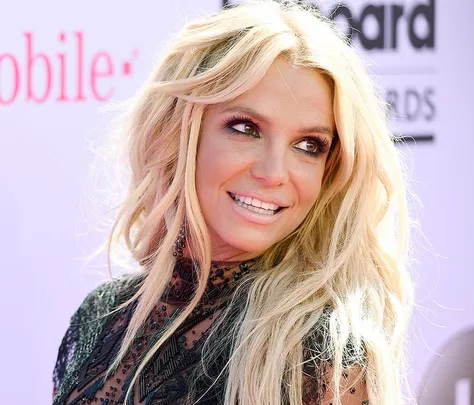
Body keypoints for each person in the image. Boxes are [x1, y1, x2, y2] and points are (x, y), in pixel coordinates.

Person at [52, 1, 415, 404]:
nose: (275, 172)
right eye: (246, 128)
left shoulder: (318, 354)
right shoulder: (99, 319)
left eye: (308, 145)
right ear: (180, 131)